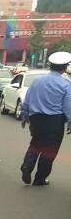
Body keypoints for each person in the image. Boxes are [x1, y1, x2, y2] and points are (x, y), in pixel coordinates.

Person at [19, 51, 71, 186]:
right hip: (54, 121)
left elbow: (27, 101)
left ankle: (27, 166)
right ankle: (40, 178)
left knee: (35, 143)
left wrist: (25, 116)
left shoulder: (37, 81)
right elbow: (68, 108)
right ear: (65, 68)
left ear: (50, 66)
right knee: (49, 150)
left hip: (36, 119)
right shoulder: (66, 85)